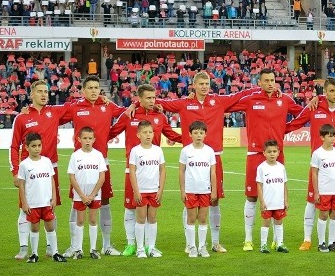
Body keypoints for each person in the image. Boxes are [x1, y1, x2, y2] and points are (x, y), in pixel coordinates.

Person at [157, 71, 257, 254]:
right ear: (193, 85)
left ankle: (215, 242)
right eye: (201, 83)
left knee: (214, 200)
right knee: (189, 201)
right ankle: (189, 243)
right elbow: (159, 102)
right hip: (192, 158)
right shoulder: (184, 103)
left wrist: (259, 89)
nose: (204, 86)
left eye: (207, 83)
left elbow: (239, 95)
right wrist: (135, 103)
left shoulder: (218, 101)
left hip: (214, 157)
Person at [227, 69, 303, 251]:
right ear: (259, 82)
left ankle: (277, 241)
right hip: (255, 154)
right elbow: (226, 106)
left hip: (277, 154)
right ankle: (248, 239)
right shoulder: (251, 100)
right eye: (266, 80)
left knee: (277, 197)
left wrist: (286, 128)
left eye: (273, 80)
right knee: (252, 197)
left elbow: (304, 114)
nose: (270, 83)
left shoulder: (284, 99)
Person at [285, 77, 335, 251]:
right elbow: (295, 123)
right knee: (312, 201)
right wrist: (276, 131)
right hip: (319, 164)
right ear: (324, 92)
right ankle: (307, 239)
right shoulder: (314, 107)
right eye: (331, 91)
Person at [108, 84, 183, 256]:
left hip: (152, 172)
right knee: (130, 207)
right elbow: (112, 133)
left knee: (151, 212)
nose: (152, 101)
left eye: (154, 97)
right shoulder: (129, 115)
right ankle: (131, 244)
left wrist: (190, 140)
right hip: (132, 171)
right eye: (148, 98)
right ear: (139, 99)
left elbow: (171, 135)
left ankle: (150, 246)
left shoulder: (160, 116)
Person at [62, 75, 125, 257]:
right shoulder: (75, 107)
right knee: (77, 203)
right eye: (90, 87)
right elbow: (55, 117)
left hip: (101, 162)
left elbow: (125, 111)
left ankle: (106, 245)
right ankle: (75, 246)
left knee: (104, 202)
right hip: (80, 164)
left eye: (96, 87)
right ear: (83, 90)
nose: (94, 90)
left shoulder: (107, 106)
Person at [10, 79, 72, 260]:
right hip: (28, 170)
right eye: (40, 91)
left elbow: (75, 107)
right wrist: (15, 171)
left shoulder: (54, 112)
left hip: (50, 169)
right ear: (32, 94)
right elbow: (14, 146)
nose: (44, 94)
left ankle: (50, 248)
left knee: (50, 207)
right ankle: (23, 248)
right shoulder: (21, 117)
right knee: (25, 209)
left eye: (46, 91)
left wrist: (100, 100)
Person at [17, 132, 67, 263]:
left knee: (50, 226)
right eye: (34, 146)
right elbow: (21, 185)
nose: (37, 148)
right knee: (34, 228)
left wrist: (54, 198)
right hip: (33, 203)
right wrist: (24, 203)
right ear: (27, 147)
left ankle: (55, 252)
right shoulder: (24, 165)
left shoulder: (46, 161)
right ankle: (34, 254)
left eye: (39, 145)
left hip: (46, 202)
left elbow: (52, 181)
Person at [66, 127, 107, 260]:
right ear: (79, 139)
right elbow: (72, 177)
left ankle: (93, 249)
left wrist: (92, 194)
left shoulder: (98, 155)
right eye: (85, 138)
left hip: (94, 194)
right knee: (80, 220)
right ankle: (78, 250)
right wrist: (83, 195)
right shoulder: (75, 156)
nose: (87, 141)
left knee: (93, 220)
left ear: (94, 140)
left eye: (90, 138)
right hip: (80, 195)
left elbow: (102, 177)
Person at [179, 120, 217, 258]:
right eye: (195, 133)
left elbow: (213, 172)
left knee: (202, 218)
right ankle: (191, 247)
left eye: (201, 132)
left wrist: (214, 190)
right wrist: (182, 190)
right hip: (190, 190)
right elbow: (182, 171)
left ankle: (202, 247)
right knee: (191, 218)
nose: (198, 135)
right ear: (190, 134)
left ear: (205, 134)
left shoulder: (209, 151)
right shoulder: (185, 151)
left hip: (205, 190)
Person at [128, 120, 166, 258]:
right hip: (141, 190)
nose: (148, 135)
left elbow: (162, 170)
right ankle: (140, 248)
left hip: (154, 190)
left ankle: (151, 247)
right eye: (145, 132)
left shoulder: (158, 150)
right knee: (141, 218)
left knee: (152, 218)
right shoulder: (135, 151)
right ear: (138, 135)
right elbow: (132, 171)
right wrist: (136, 191)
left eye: (150, 132)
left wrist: (160, 189)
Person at [310, 124, 335, 253]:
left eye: (334, 136)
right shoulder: (318, 153)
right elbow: (314, 173)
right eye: (329, 136)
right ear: (322, 137)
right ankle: (321, 243)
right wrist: (316, 192)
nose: (332, 139)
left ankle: (332, 242)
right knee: (324, 215)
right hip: (324, 190)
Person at [256, 139, 289, 254]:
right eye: (269, 151)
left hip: (279, 202)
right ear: (264, 153)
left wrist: (285, 200)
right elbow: (259, 186)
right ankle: (263, 245)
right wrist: (262, 201)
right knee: (266, 223)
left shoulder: (281, 167)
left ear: (278, 152)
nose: (272, 154)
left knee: (279, 222)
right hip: (267, 202)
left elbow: (284, 184)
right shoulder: (261, 168)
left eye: (274, 151)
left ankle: (279, 243)